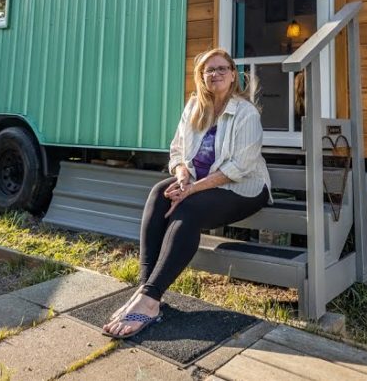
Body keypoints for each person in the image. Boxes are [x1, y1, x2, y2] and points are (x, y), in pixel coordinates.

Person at [102, 47, 272, 338]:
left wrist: (191, 190)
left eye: (222, 69)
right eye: (209, 70)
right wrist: (182, 177)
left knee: (189, 208)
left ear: (233, 75)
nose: (215, 74)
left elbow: (238, 168)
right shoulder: (195, 107)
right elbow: (177, 150)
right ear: (201, 77)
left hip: (244, 187)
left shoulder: (246, 113)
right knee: (159, 193)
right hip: (199, 185)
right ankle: (146, 290)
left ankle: (151, 297)